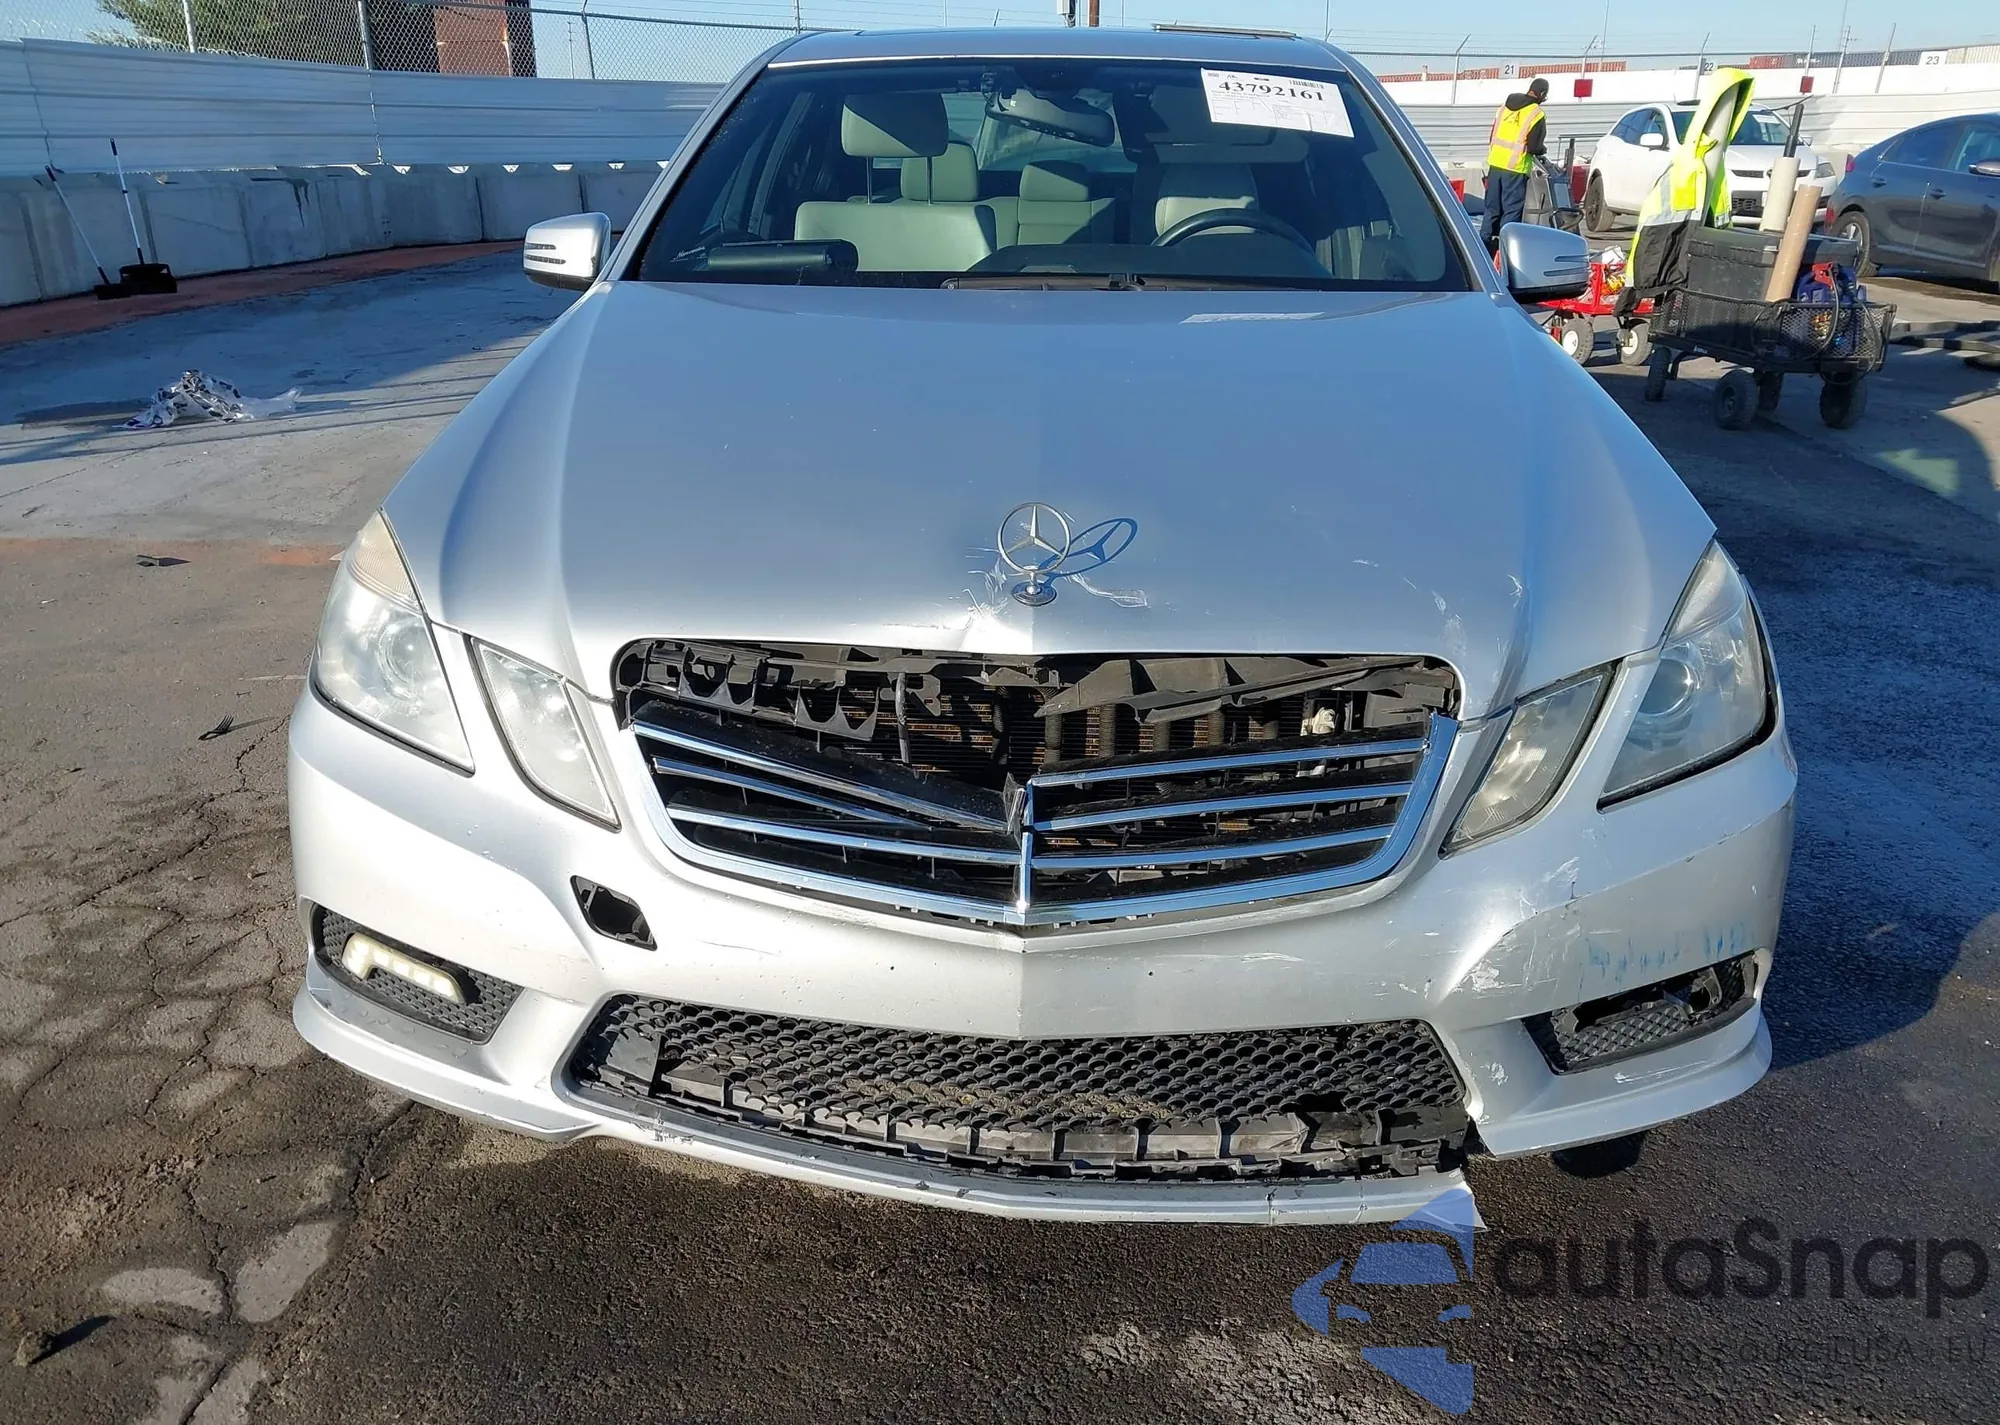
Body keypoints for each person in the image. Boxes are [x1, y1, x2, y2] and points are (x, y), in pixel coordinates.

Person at [1483, 76, 1549, 250]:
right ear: (1542, 94)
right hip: (1515, 168)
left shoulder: (1504, 107)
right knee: (1511, 211)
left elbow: (1493, 134)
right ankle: (1505, 250)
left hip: (1495, 164)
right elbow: (1534, 146)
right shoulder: (1536, 113)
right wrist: (1543, 150)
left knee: (1492, 209)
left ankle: (1484, 247)